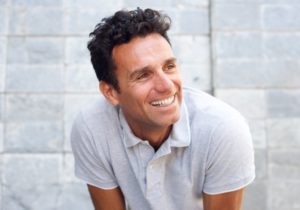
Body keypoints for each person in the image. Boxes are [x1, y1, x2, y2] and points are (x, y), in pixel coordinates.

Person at [71, 8, 255, 210]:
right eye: (143, 76)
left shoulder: (223, 129)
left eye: (169, 67)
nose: (167, 86)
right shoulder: (92, 128)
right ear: (111, 92)